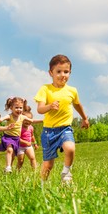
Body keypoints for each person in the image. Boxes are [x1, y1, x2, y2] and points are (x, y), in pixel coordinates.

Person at [34, 54, 89, 183]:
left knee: (70, 148)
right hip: (49, 132)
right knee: (48, 165)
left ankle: (66, 172)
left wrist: (85, 118)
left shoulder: (72, 90)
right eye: (58, 71)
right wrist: (50, 106)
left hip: (65, 128)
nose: (62, 75)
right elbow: (40, 109)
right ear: (50, 73)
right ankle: (42, 184)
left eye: (66, 71)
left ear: (70, 72)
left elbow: (77, 104)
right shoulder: (45, 89)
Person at [0, 97, 33, 173]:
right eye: (16, 107)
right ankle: (8, 167)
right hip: (8, 137)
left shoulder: (22, 117)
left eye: (20, 108)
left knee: (12, 156)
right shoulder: (10, 116)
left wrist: (44, 120)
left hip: (16, 139)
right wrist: (0, 119)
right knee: (9, 150)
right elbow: (3, 118)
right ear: (11, 108)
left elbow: (32, 120)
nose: (19, 109)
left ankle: (8, 169)